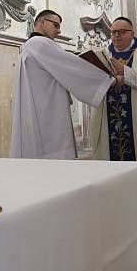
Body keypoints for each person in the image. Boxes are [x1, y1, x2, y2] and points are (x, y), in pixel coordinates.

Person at [10, 9, 117, 159]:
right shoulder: (40, 43)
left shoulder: (30, 45)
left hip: (40, 106)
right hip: (47, 114)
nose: (59, 31)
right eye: (56, 25)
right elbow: (71, 66)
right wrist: (108, 80)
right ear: (42, 23)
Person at [89, 17, 137, 166]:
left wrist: (125, 72)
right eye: (114, 32)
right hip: (106, 115)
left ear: (132, 33)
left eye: (121, 32)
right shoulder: (103, 54)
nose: (117, 36)